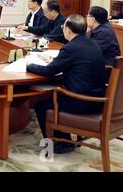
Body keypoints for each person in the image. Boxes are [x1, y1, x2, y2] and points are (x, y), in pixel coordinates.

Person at [27, 14, 106, 154]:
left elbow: (48, 71)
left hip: (82, 102)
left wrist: (29, 65)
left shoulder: (70, 48)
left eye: (63, 27)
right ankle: (63, 138)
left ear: (68, 30)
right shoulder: (93, 43)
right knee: (54, 97)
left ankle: (60, 143)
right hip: (99, 100)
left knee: (42, 106)